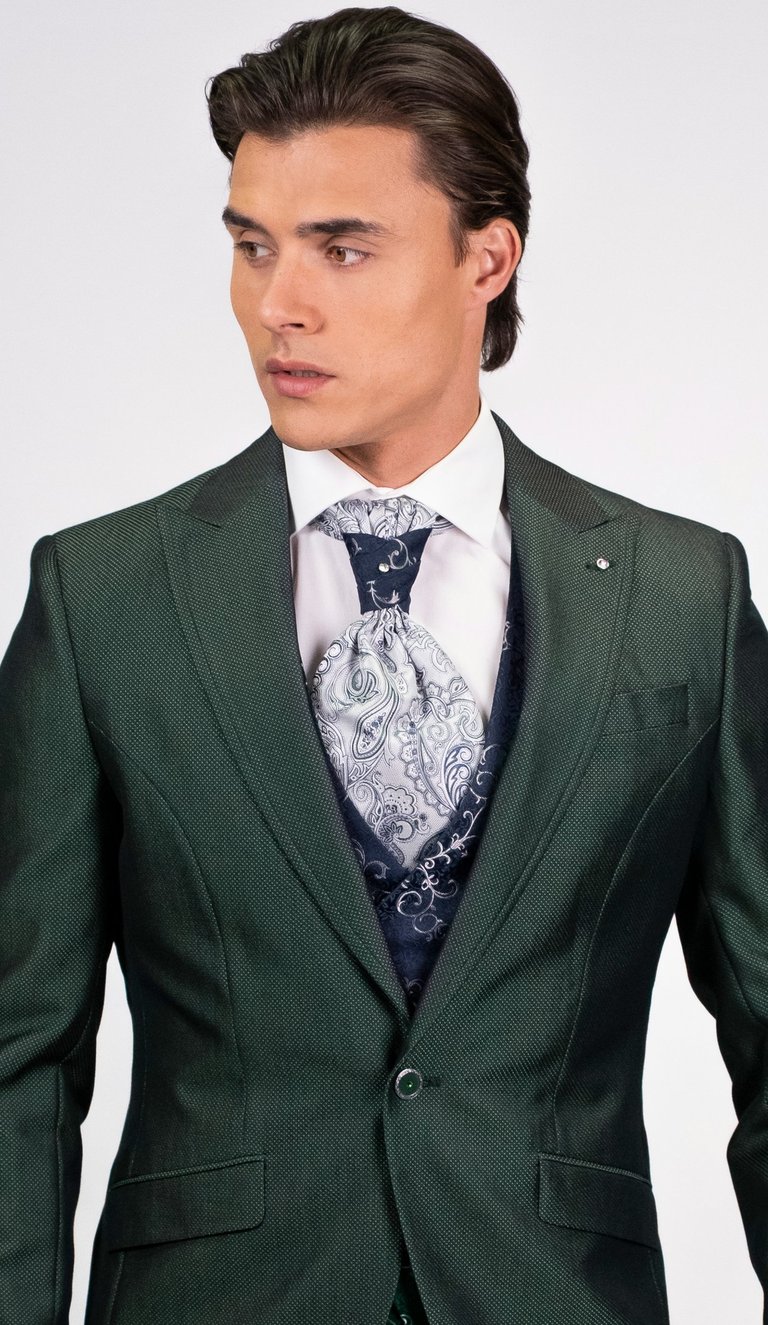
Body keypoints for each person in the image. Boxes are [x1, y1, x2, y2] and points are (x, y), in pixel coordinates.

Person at [1, 6, 766, 1323]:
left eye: (343, 248)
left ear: (488, 258)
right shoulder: (105, 596)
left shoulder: (681, 597)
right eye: (252, 246)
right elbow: (16, 1055)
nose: (278, 305)